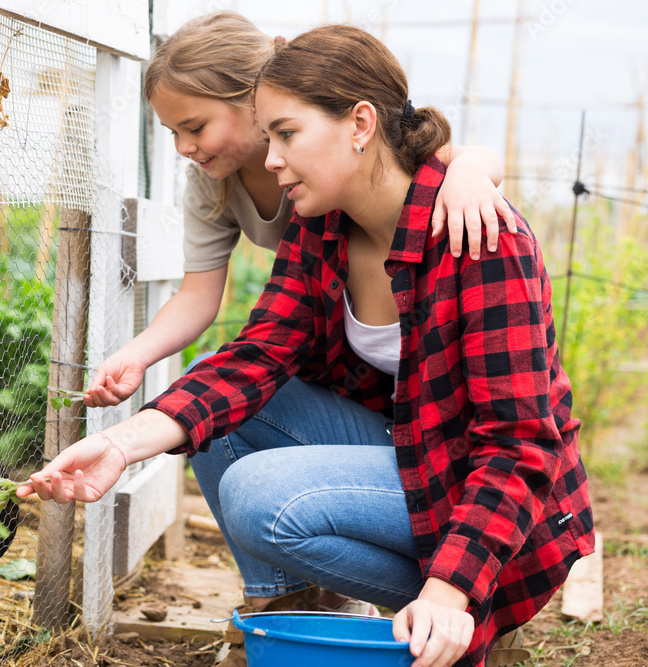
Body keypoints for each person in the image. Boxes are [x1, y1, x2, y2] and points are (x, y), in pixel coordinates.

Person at [21, 23, 595, 667]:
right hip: (408, 445)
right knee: (227, 409)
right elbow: (260, 353)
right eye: (267, 138)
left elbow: (520, 446)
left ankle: (460, 608)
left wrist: (449, 590)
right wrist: (120, 444)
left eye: (287, 135)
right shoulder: (321, 226)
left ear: (360, 124)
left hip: (497, 497)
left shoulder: (479, 237)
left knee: (262, 497)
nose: (269, 159)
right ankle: (300, 621)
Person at [82, 11, 514, 411]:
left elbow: (445, 154)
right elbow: (198, 294)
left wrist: (470, 172)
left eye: (195, 127)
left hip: (387, 333)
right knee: (215, 389)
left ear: (255, 101)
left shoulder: (341, 162)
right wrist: (135, 354)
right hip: (327, 326)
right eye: (172, 132)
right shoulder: (212, 185)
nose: (182, 148)